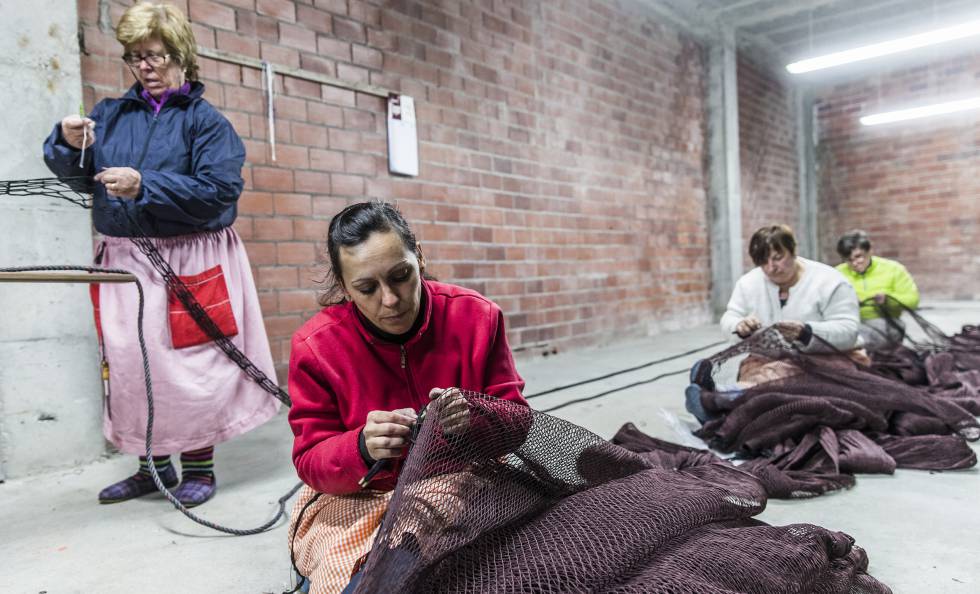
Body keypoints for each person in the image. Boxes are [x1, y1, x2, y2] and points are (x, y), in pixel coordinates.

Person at [41, 2, 278, 507]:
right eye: (134, 57)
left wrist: (145, 184)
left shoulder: (207, 123)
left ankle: (198, 467)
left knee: (190, 364)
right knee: (130, 364)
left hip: (189, 259)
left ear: (181, 55)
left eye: (154, 55)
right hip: (124, 260)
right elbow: (83, 179)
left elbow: (218, 192)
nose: (144, 67)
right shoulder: (109, 114)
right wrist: (65, 144)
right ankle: (151, 468)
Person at [287, 202, 529, 594]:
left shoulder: (478, 318)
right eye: (367, 288)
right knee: (371, 579)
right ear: (345, 288)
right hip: (363, 496)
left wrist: (475, 419)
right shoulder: (316, 348)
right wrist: (360, 447)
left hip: (465, 484)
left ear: (419, 256)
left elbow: (517, 419)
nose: (390, 300)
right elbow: (310, 460)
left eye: (401, 276)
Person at [686, 224, 861, 422]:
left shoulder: (830, 281)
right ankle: (722, 402)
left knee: (786, 377)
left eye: (778, 258)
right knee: (760, 374)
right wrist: (739, 327)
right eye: (763, 262)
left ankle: (720, 400)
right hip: (769, 358)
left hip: (826, 358)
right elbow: (730, 317)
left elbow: (849, 330)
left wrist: (807, 332)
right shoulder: (749, 283)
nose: (771, 268)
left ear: (793, 250)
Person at [835, 230, 920, 350]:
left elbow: (912, 300)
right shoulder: (837, 273)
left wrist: (888, 300)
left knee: (878, 331)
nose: (855, 263)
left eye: (858, 257)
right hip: (851, 322)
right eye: (849, 260)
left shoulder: (893, 269)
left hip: (886, 321)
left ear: (870, 251)